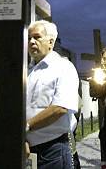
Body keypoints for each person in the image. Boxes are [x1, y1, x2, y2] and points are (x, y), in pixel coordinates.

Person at [25, 20, 79, 169]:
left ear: (51, 41)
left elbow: (60, 108)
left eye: (36, 37)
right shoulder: (27, 71)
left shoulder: (63, 67)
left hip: (53, 151)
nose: (31, 41)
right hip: (28, 150)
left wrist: (26, 126)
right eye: (29, 38)